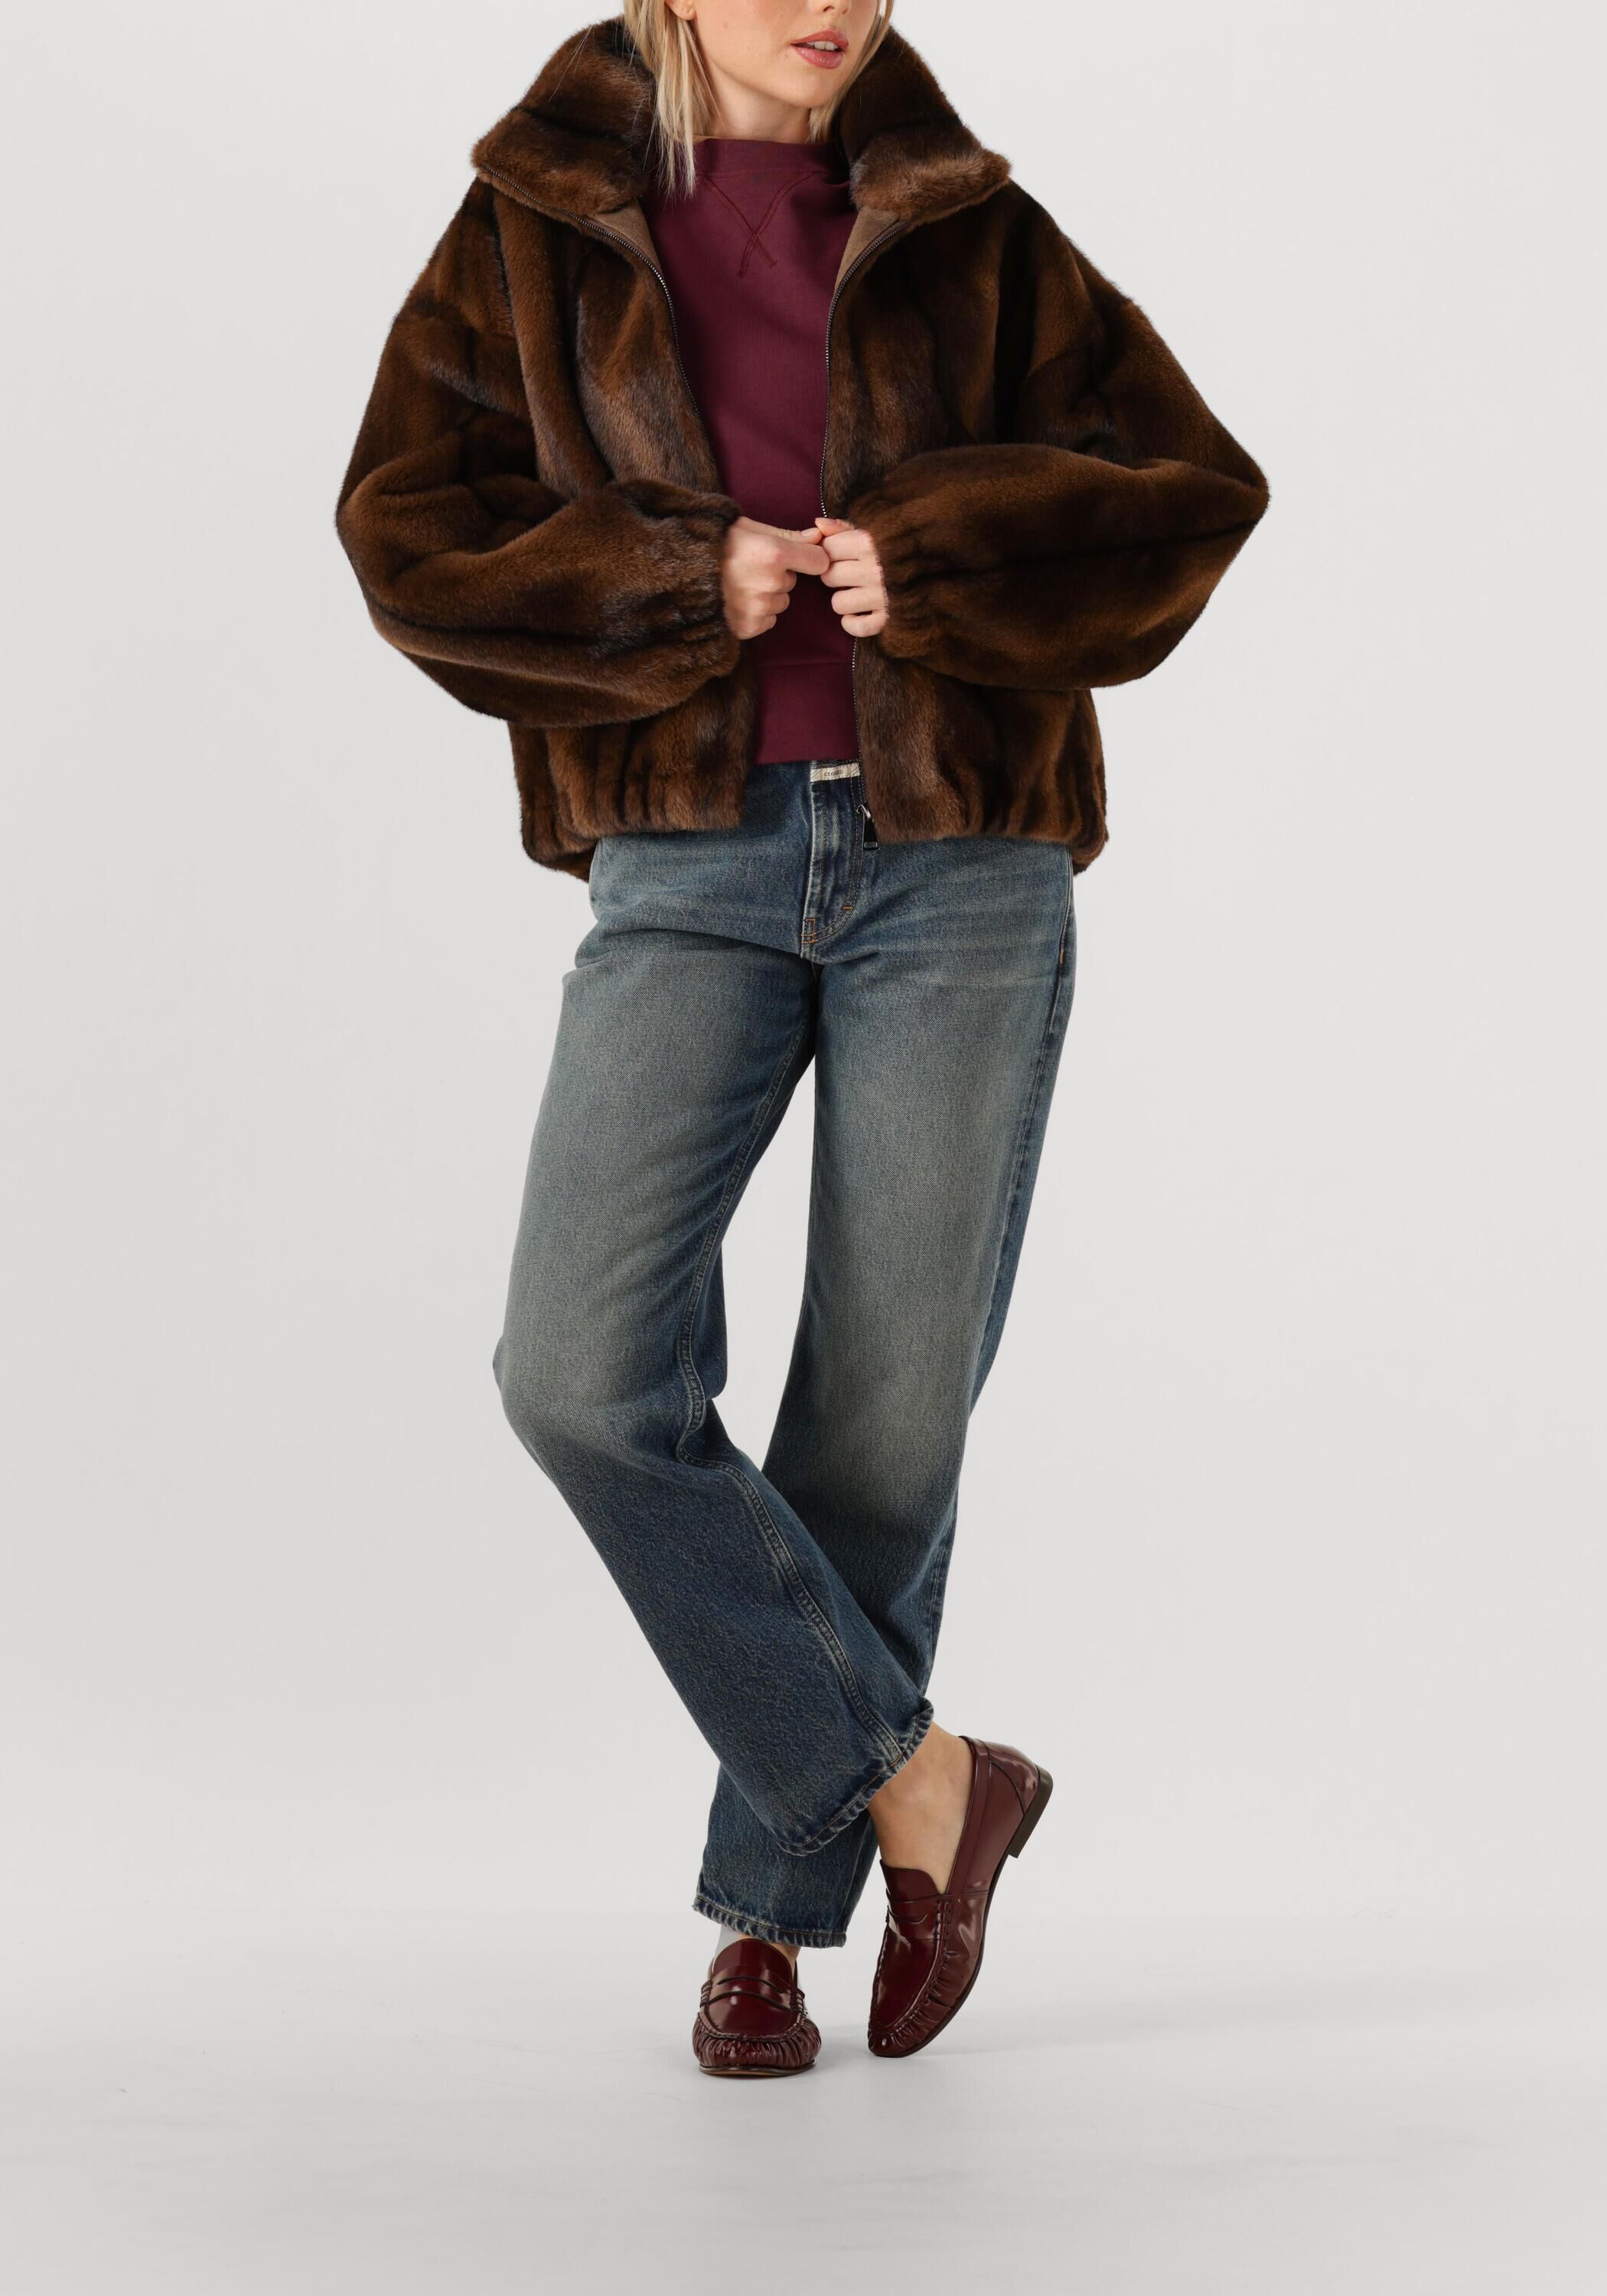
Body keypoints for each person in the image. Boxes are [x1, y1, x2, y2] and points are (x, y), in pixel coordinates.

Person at [335, 1, 1269, 2078]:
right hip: (687, 861)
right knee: (578, 1379)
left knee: (881, 1422)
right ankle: (930, 1785)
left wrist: (930, 561)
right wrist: (688, 581)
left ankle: (768, 1922)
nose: (825, 0)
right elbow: (409, 536)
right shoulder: (532, 225)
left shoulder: (968, 224)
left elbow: (1188, 494)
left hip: (965, 861)